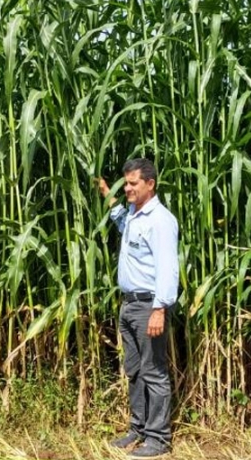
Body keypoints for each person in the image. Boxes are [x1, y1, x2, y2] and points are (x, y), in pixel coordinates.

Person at [96, 158, 179, 458]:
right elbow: (121, 221)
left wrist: (160, 308)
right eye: (125, 183)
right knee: (134, 370)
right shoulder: (135, 213)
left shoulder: (160, 220)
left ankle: (158, 438)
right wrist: (106, 192)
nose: (127, 188)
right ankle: (138, 428)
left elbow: (169, 268)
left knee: (154, 371)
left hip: (148, 306)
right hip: (129, 306)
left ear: (150, 184)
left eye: (132, 183)